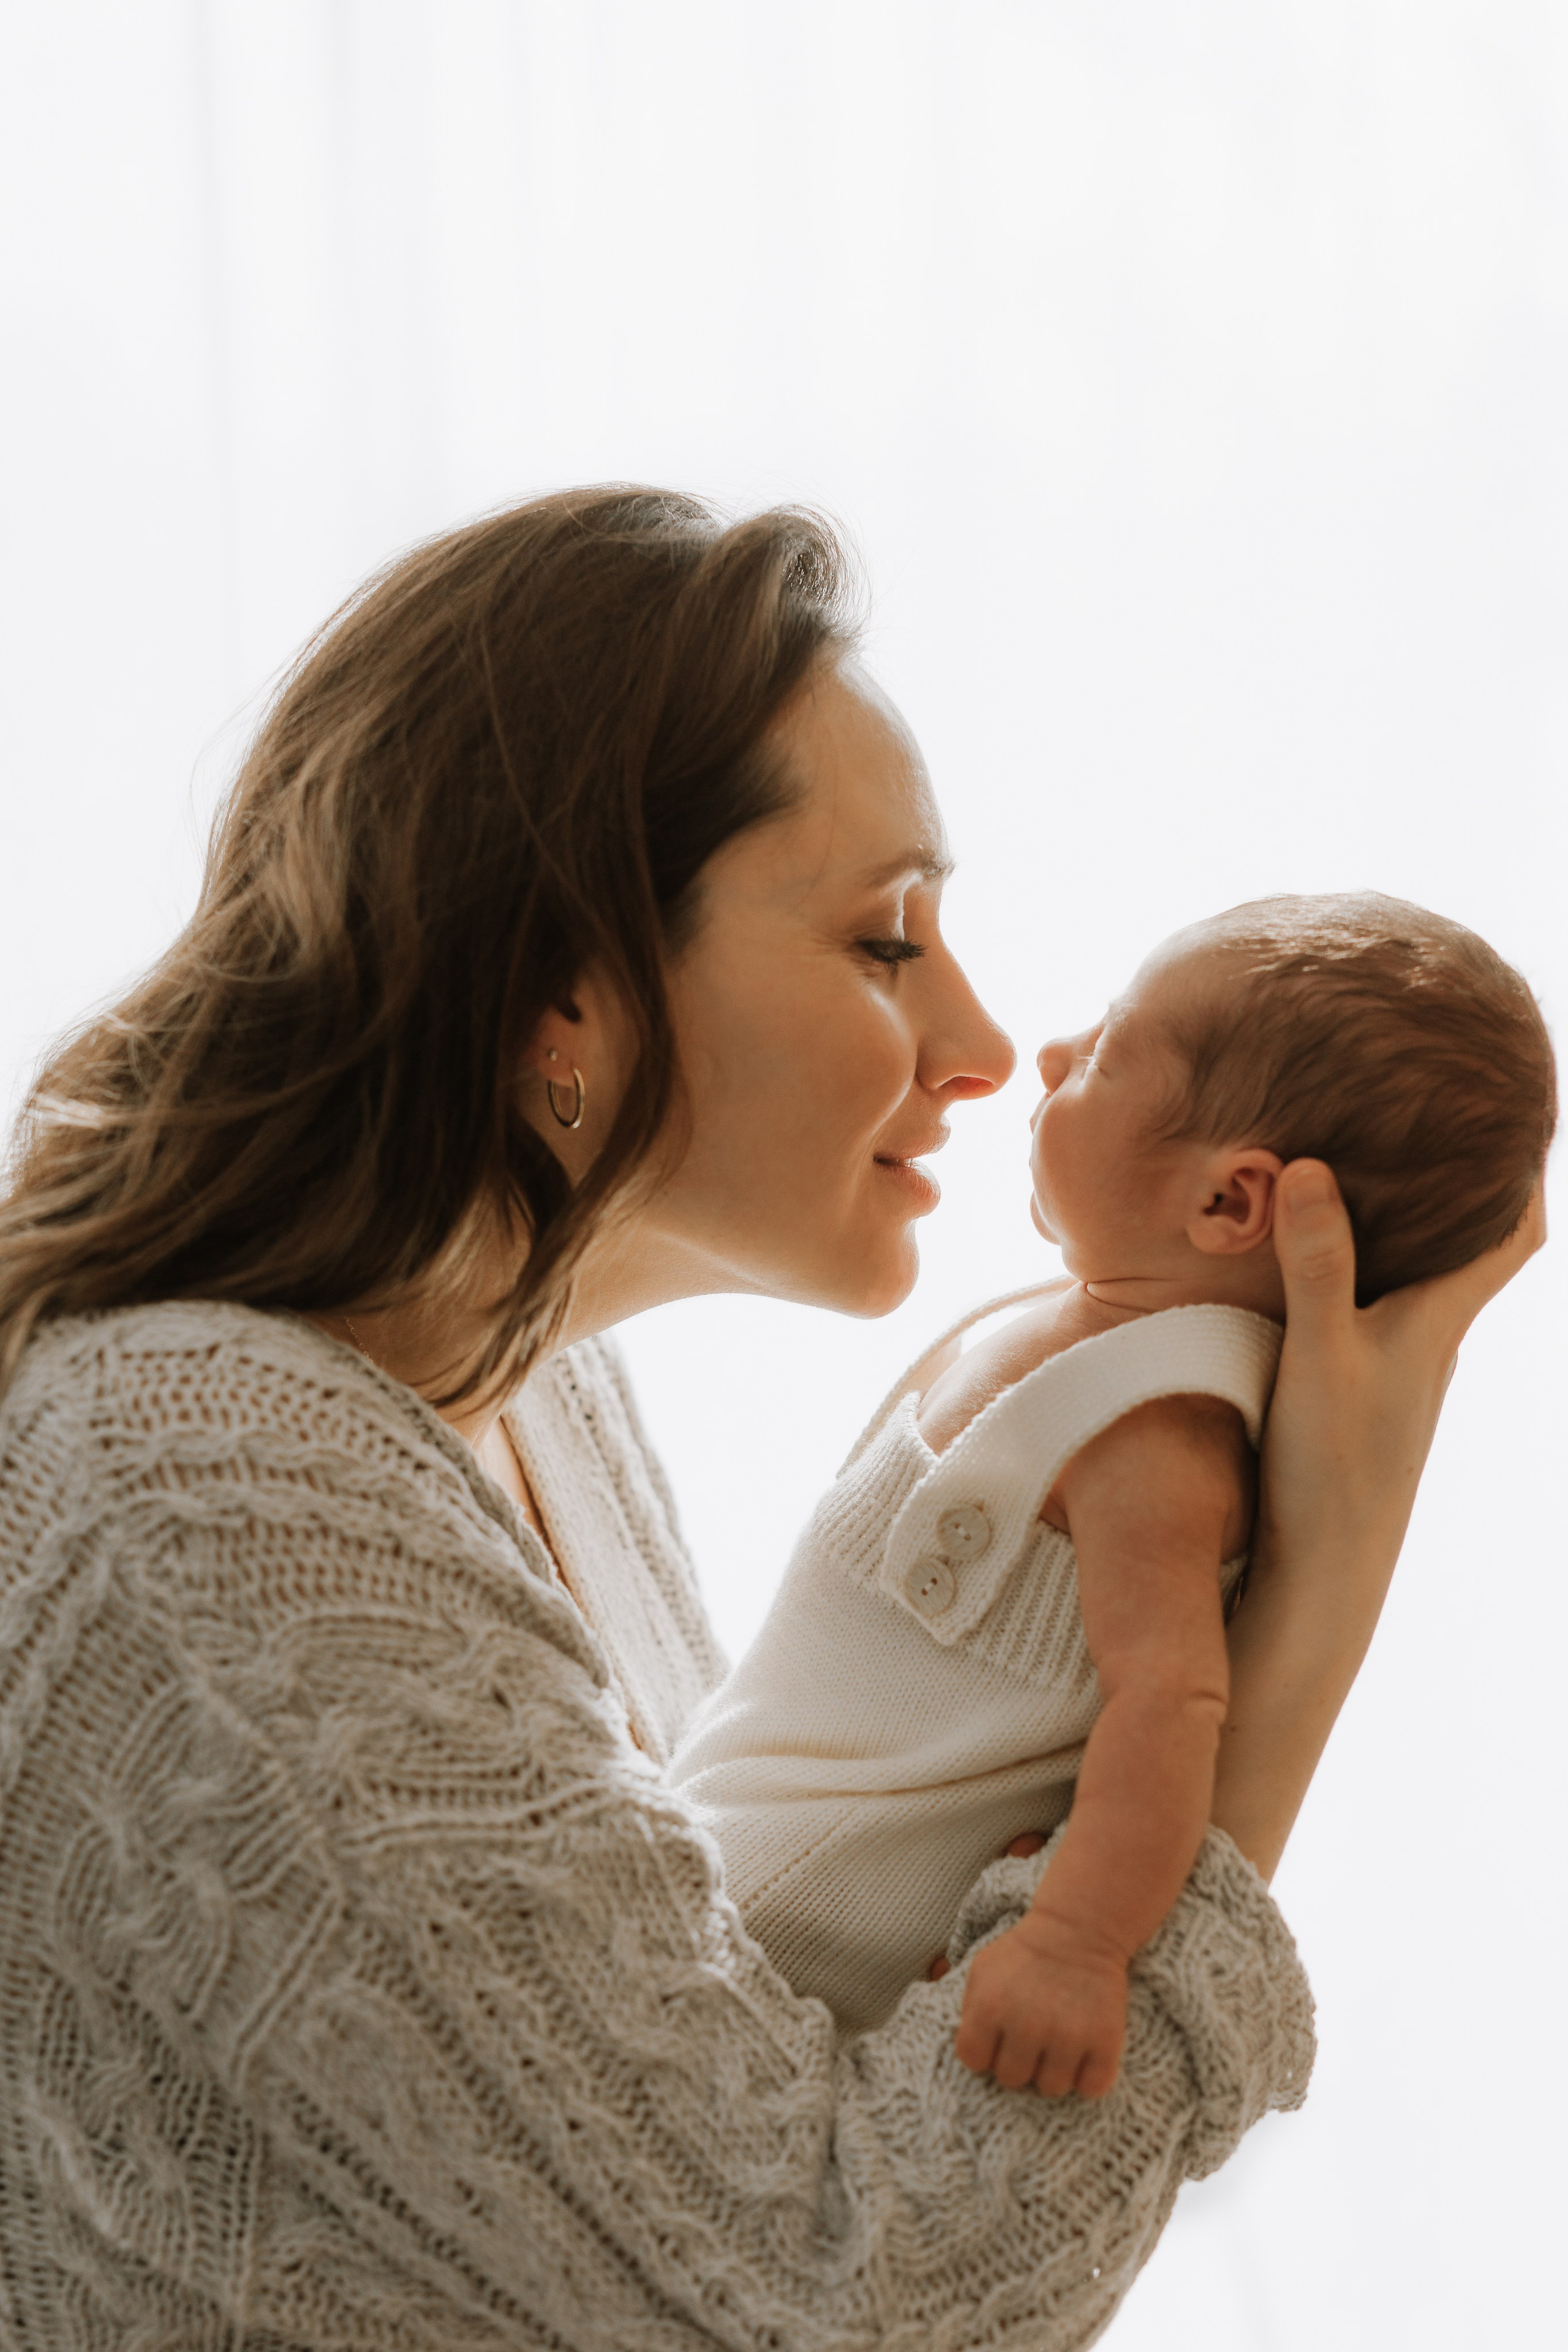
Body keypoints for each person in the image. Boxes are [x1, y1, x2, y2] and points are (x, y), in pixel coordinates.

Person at [0, 488, 1540, 2350]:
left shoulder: (532, 1390)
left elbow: (716, 2084)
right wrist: (1299, 1643)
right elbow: (825, 2296)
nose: (984, 1047)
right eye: (888, 943)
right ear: (563, 992)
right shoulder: (223, 1492)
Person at [671, 894, 1556, 2090]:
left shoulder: (1154, 1436)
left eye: (1101, 1052)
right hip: (716, 1844)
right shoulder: (1087, 1323)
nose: (1048, 1056)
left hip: (778, 1946)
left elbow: (1170, 1704)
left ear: (1226, 1203)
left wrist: (1076, 1943)